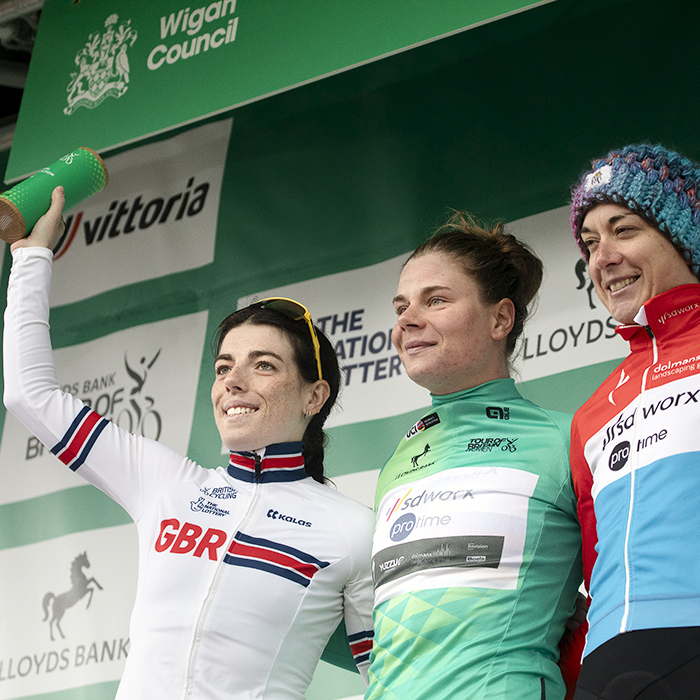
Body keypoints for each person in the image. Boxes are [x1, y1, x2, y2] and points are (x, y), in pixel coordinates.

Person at [3, 186, 374, 700]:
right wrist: (30, 258)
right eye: (224, 367)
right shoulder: (164, 483)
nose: (233, 382)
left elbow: (400, 683)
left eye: (263, 365)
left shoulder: (354, 530)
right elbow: (29, 394)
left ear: (315, 394)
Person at [365, 212, 583, 700]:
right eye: (400, 306)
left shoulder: (568, 439)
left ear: (500, 318)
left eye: (436, 300)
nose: (406, 321)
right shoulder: (398, 461)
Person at [568, 144, 700, 699]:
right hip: (613, 667)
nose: (603, 258)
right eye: (592, 243)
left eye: (624, 230)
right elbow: (595, 569)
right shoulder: (592, 411)